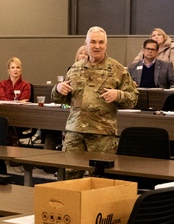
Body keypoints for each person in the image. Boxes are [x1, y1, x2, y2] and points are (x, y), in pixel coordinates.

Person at [51, 26, 138, 164]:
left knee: (100, 178)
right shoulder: (75, 68)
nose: (97, 46)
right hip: (74, 132)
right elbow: (62, 100)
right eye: (93, 42)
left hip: (102, 135)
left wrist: (118, 95)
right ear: (86, 44)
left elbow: (133, 99)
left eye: (101, 42)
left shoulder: (118, 69)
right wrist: (57, 89)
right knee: (70, 176)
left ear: (106, 45)